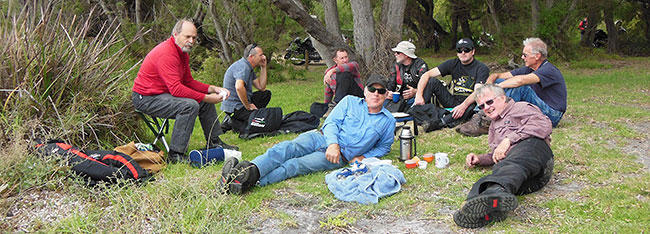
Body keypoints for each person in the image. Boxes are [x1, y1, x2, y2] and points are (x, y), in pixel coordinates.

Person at [217, 75, 396, 195]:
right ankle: (248, 172)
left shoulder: (388, 121)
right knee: (286, 148)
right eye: (372, 89)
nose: (376, 94)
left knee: (294, 166)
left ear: (386, 95)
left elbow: (384, 146)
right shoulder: (349, 101)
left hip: (338, 157)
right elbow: (332, 123)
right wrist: (333, 143)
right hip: (321, 137)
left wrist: (363, 156)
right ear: (365, 91)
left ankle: (246, 182)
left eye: (381, 91)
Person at [132, 19, 237, 163]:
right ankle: (176, 154)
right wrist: (206, 97)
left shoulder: (182, 53)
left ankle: (214, 142)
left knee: (202, 102)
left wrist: (212, 88)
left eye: (194, 37)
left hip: (162, 94)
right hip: (146, 98)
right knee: (190, 105)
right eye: (187, 37)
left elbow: (188, 82)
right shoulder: (167, 53)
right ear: (175, 34)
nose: (191, 41)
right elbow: (176, 89)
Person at [454, 84, 554, 228]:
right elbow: (498, 155)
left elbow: (543, 124)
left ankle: (494, 195)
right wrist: (480, 159)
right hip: (521, 181)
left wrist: (509, 139)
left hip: (536, 156)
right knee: (491, 179)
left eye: (489, 102)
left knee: (510, 166)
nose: (486, 108)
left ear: (502, 98)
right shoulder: (494, 126)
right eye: (481, 106)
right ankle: (478, 208)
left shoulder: (519, 108)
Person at [457, 37, 566, 137]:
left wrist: (496, 88)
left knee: (520, 88)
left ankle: (488, 121)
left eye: (525, 55)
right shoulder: (529, 68)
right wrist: (490, 83)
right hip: (535, 109)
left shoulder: (549, 70)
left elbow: (520, 80)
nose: (522, 58)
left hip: (551, 115)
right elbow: (498, 75)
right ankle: (479, 115)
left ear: (537, 56)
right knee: (502, 81)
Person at [413, 38, 489, 122]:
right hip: (453, 101)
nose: (463, 53)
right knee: (431, 81)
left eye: (466, 50)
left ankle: (442, 120)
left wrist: (463, 106)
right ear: (457, 53)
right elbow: (426, 75)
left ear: (473, 52)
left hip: (470, 104)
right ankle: (420, 110)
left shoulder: (481, 68)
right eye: (459, 50)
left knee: (470, 109)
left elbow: (478, 92)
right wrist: (418, 95)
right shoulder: (453, 63)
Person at [221, 43, 272, 132]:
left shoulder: (248, 67)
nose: (263, 57)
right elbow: (239, 87)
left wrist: (263, 67)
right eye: (260, 55)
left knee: (265, 94)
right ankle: (232, 122)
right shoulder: (243, 67)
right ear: (251, 57)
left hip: (241, 104)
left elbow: (261, 87)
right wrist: (248, 106)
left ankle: (236, 119)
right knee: (261, 123)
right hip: (235, 107)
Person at [386, 41, 429, 108]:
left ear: (406, 55)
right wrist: (389, 92)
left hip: (417, 98)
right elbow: (391, 83)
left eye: (398, 53)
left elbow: (428, 85)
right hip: (400, 98)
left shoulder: (420, 65)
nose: (395, 54)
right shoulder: (396, 66)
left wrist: (415, 91)